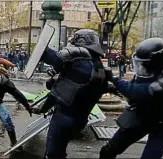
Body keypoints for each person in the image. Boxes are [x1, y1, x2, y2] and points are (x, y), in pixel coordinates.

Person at [31, 29, 109, 158]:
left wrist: (42, 44)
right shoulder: (98, 66)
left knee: (53, 153)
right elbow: (75, 84)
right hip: (81, 119)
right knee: (60, 150)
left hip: (64, 117)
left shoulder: (79, 61)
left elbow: (49, 56)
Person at [100, 38, 163, 159]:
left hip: (162, 125)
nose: (140, 67)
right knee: (108, 150)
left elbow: (139, 91)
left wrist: (114, 79)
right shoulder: (151, 71)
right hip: (140, 118)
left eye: (144, 64)